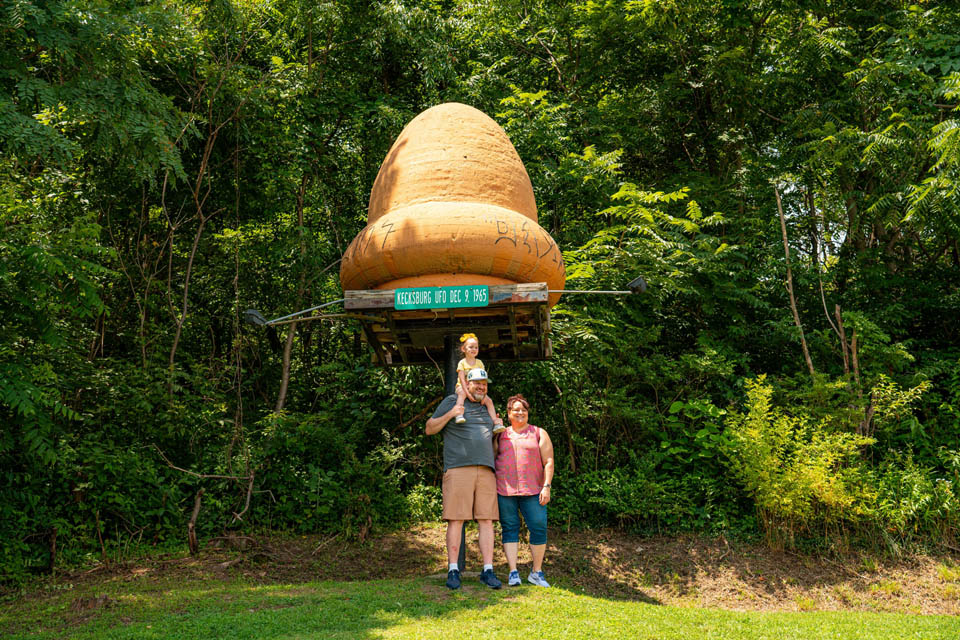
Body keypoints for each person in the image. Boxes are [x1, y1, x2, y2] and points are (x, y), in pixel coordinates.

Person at [425, 367, 504, 590]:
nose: (481, 387)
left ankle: (488, 570)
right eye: (477, 383)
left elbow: (493, 442)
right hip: (458, 468)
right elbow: (429, 429)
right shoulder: (452, 401)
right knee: (456, 520)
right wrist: (451, 413)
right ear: (467, 383)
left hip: (487, 471)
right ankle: (453, 570)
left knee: (487, 520)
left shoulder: (488, 407)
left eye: (485, 384)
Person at [495, 394, 554, 587]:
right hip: (505, 490)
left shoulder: (538, 433)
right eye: (516, 409)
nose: (520, 413)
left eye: (524, 410)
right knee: (509, 528)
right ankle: (513, 572)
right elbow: (492, 457)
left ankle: (536, 572)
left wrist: (547, 486)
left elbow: (549, 461)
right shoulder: (501, 434)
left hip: (534, 490)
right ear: (508, 413)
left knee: (538, 527)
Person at [452, 333, 500, 431]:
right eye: (471, 347)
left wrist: (484, 395)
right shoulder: (462, 362)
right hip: (463, 386)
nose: (474, 349)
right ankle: (459, 414)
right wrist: (467, 393)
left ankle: (495, 422)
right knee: (461, 394)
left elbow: (484, 379)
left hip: (477, 388)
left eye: (476, 347)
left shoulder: (479, 363)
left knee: (489, 401)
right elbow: (461, 378)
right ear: (463, 349)